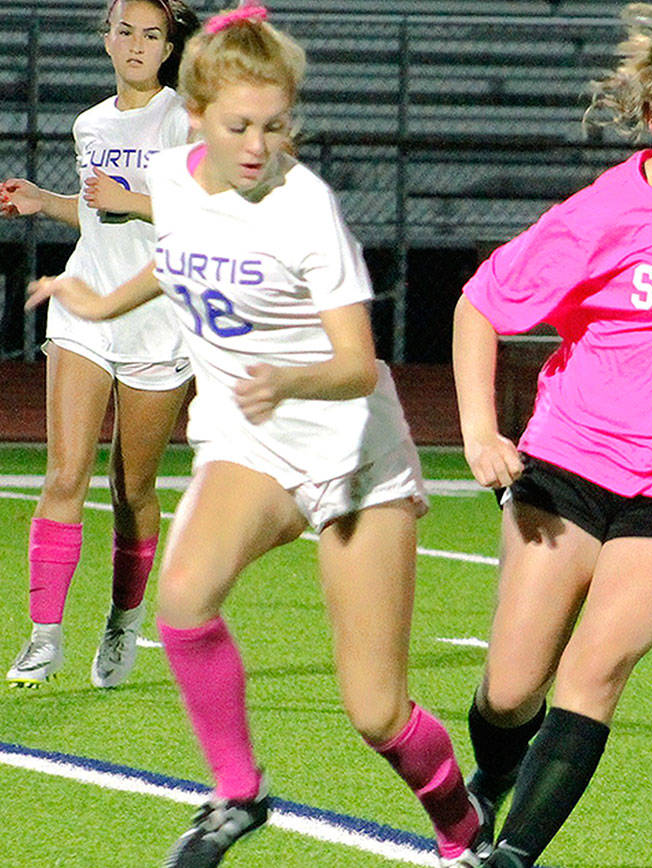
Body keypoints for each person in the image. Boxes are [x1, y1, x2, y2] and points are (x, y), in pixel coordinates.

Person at [26, 3, 486, 866]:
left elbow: (356, 363)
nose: (256, 145)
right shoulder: (175, 177)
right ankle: (239, 794)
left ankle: (464, 833)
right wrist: (96, 297)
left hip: (350, 454)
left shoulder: (304, 209)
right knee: (184, 598)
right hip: (251, 441)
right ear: (195, 117)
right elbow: (177, 256)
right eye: (239, 125)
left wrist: (290, 376)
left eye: (275, 126)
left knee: (375, 710)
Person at [450, 1, 652, 865]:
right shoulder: (598, 215)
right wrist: (481, 433)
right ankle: (490, 777)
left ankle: (512, 853)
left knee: (595, 672)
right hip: (570, 462)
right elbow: (479, 307)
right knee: (515, 689)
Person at [2, 0, 199, 690]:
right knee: (64, 474)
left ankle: (123, 621)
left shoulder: (186, 119)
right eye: (125, 31)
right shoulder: (90, 122)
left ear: (170, 46)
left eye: (152, 35)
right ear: (107, 40)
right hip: (83, 308)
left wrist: (137, 199)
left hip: (157, 315)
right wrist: (44, 200)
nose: (137, 45)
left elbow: (213, 212)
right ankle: (44, 636)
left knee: (131, 487)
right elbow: (98, 211)